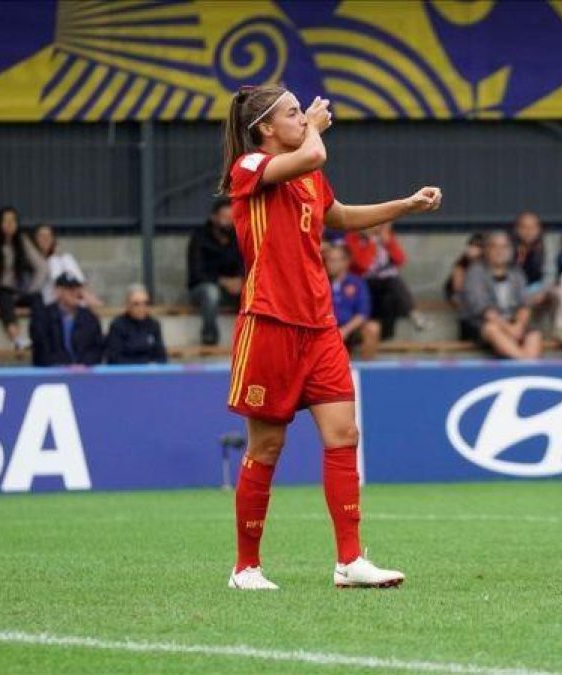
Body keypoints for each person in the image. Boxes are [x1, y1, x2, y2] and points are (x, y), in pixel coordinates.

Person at [219, 84, 440, 590]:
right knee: (268, 446)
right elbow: (313, 149)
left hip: (319, 326)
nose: (305, 118)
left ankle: (350, 560)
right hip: (268, 322)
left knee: (344, 435)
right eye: (293, 113)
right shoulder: (249, 168)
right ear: (265, 129)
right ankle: (245, 567)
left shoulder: (309, 174)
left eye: (304, 112)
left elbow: (339, 218)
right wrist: (314, 130)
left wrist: (403, 206)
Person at [0, 206, 49, 350]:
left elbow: (42, 267)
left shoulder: (22, 240)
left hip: (14, 293)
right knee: (4, 295)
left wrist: (30, 290)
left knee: (38, 298)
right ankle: (16, 338)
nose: (9, 224)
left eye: (13, 220)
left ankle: (40, 338)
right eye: (5, 220)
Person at [460, 231, 542, 360]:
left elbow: (524, 305)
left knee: (534, 334)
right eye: (495, 247)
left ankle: (529, 367)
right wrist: (508, 329)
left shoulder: (516, 273)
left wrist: (519, 325)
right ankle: (523, 365)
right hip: (481, 324)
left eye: (505, 247)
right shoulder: (475, 272)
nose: (500, 251)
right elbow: (483, 309)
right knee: (492, 329)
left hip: (512, 322)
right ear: (486, 250)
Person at [344, 222, 423, 339]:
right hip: (363, 284)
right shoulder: (353, 238)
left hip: (385, 286)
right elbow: (363, 264)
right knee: (392, 282)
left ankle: (389, 332)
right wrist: (371, 241)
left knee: (391, 295)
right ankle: (411, 311)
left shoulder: (386, 237)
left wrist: (388, 242)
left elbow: (400, 260)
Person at [187, 198, 243, 346]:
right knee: (211, 293)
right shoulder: (199, 238)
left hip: (233, 289)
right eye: (224, 218)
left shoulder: (238, 237)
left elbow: (246, 264)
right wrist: (223, 281)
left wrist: (241, 280)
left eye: (231, 218)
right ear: (214, 218)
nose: (229, 222)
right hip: (203, 289)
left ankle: (246, 336)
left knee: (252, 289)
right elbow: (196, 273)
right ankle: (209, 337)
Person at [30, 273, 104, 367]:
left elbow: (96, 348)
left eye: (78, 288)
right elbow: (42, 347)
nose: (75, 293)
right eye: (70, 289)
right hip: (52, 372)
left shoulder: (89, 318)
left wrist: (84, 364)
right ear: (58, 291)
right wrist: (65, 365)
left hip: (84, 372)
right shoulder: (43, 316)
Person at [326, 245, 380, 360]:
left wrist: (345, 330)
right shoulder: (321, 282)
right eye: (328, 260)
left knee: (373, 328)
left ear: (346, 262)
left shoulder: (357, 283)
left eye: (334, 260)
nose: (330, 264)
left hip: (350, 329)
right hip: (326, 329)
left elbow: (363, 313)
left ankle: (367, 371)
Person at [34, 224, 103, 309]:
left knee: (65, 258)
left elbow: (80, 282)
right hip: (49, 300)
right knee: (53, 261)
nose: (45, 239)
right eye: (41, 236)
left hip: (72, 298)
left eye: (48, 236)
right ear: (35, 239)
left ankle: (82, 296)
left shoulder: (62, 259)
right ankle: (79, 297)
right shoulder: (31, 260)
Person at [104, 283, 166, 365]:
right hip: (126, 374)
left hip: (150, 373)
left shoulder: (153, 325)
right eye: (136, 304)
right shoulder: (117, 325)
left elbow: (162, 357)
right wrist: (145, 364)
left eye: (145, 303)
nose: (141, 308)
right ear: (127, 305)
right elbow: (114, 358)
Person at [443, 232, 484, 309]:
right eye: (471, 245)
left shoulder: (487, 264)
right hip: (458, 295)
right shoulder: (462, 263)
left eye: (478, 246)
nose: (473, 249)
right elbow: (458, 288)